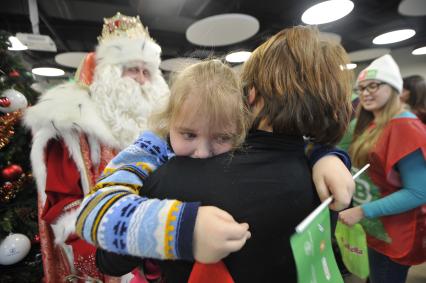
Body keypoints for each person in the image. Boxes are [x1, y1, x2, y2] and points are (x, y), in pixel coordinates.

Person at [77, 25, 355, 283]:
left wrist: (325, 154)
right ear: (169, 121)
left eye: (222, 138)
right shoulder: (150, 149)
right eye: (188, 134)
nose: (202, 152)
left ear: (247, 102)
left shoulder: (168, 181)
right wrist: (181, 229)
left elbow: (110, 262)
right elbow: (93, 211)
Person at [23, 12, 169, 282]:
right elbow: (63, 206)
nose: (140, 80)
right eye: (131, 69)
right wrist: (102, 260)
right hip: (105, 255)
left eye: (146, 71)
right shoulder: (72, 126)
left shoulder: (162, 127)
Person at [338, 54, 426, 283]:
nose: (365, 92)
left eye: (374, 86)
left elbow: (419, 192)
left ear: (395, 87)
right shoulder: (375, 123)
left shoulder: (406, 127)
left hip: (394, 234)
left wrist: (361, 211)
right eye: (362, 87)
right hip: (376, 227)